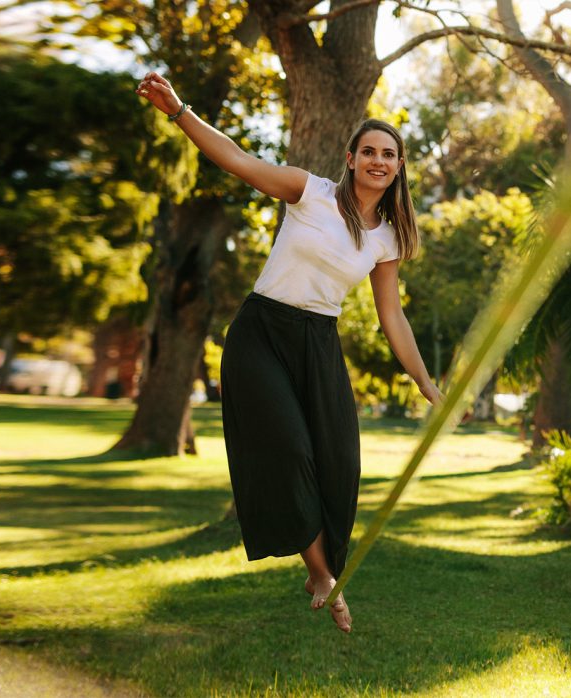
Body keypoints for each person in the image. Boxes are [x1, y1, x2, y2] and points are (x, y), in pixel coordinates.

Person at [136, 72, 443, 634]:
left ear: (398, 168)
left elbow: (391, 316)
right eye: (368, 151)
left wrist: (425, 381)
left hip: (319, 343)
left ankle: (320, 568)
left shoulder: (386, 238)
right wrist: (179, 109)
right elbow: (236, 158)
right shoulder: (311, 192)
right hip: (261, 335)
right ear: (350, 159)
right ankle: (322, 575)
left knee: (341, 463)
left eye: (389, 155)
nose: (378, 161)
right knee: (291, 449)